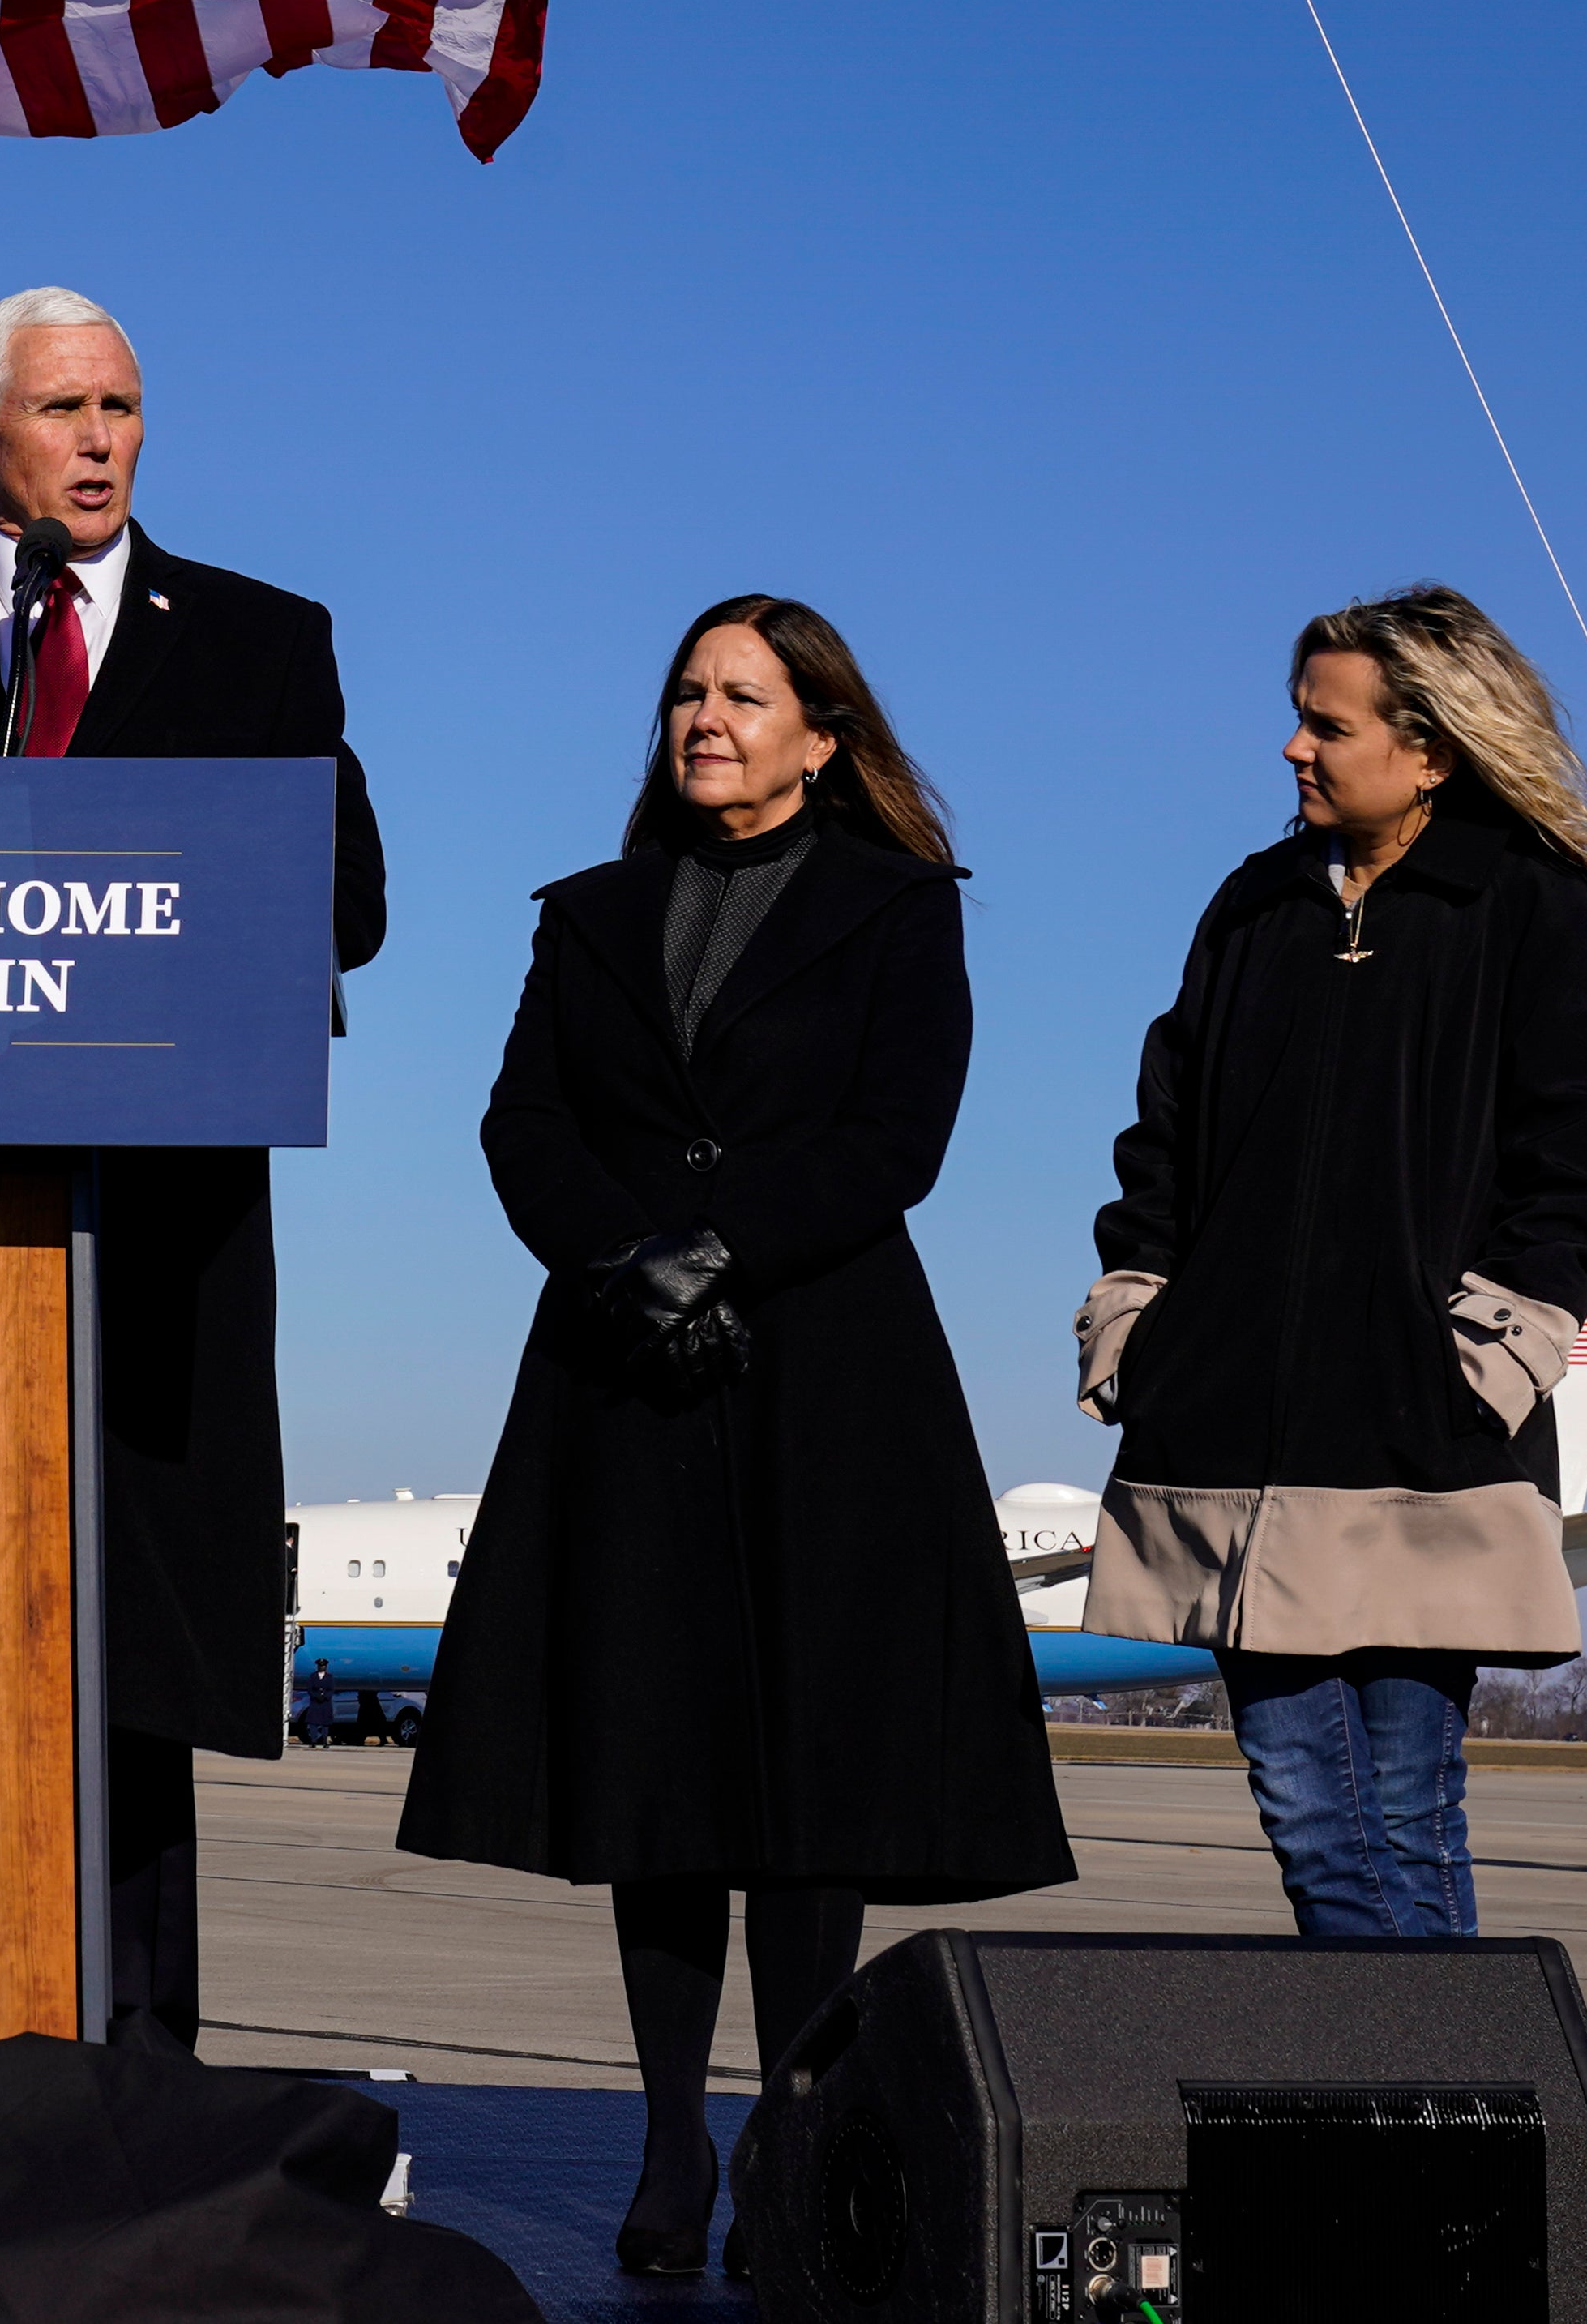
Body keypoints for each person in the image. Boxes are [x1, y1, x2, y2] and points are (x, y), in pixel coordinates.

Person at [400, 595, 1069, 2275]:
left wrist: (726, 1246)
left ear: (821, 734)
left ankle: (792, 2125)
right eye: (688, 692)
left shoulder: (900, 910)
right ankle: (664, 2139)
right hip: (623, 1368)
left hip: (823, 1368)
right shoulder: (590, 913)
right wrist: (626, 1257)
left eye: (743, 695)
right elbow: (520, 1118)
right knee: (657, 1768)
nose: (705, 717)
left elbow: (896, 1132)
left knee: (806, 1784)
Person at [0, 287, 384, 2046]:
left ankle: (141, 2076)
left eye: (122, 406)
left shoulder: (260, 638)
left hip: (152, 1239)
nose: (101, 440)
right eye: (64, 409)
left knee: (126, 1668)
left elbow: (347, 903)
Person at [1076, 585, 1587, 1944]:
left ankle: (1441, 2123)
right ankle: (1420, 2116)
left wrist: (1491, 1356)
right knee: (1306, 1807)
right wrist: (1136, 1318)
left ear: (1433, 746)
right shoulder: (1251, 905)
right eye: (1297, 720)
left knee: (1402, 1807)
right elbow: (1159, 1140)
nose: (1294, 748)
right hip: (1226, 1426)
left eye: (1325, 725)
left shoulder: (1527, 905)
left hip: (1421, 1434)